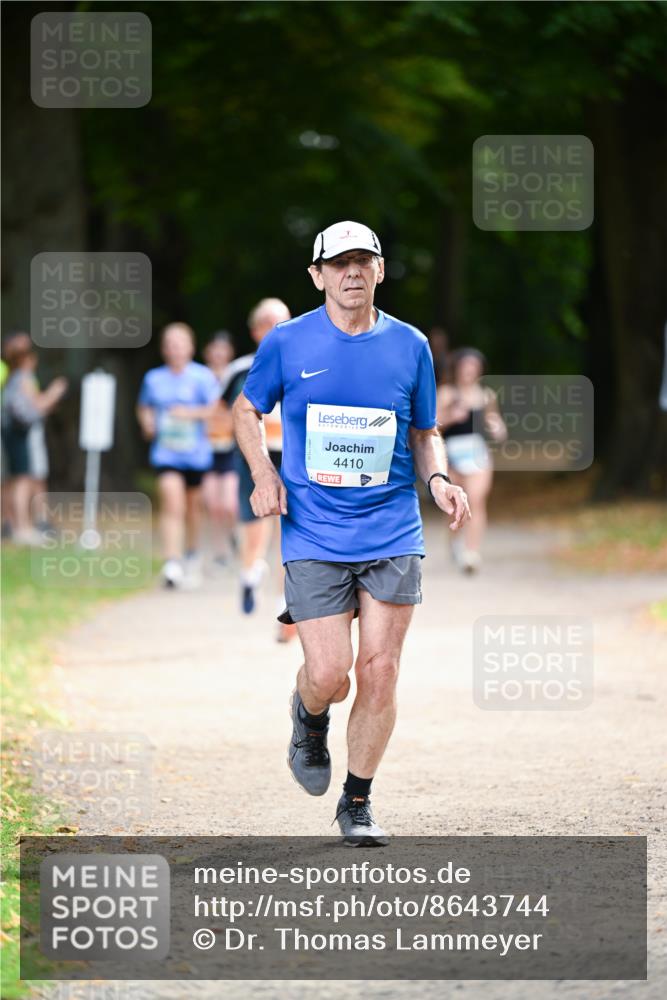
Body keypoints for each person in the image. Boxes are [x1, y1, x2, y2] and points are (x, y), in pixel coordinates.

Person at [233, 220, 470, 845]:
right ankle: (309, 717)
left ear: (380, 270)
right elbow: (246, 410)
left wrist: (440, 479)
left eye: (363, 260)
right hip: (313, 531)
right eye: (338, 263)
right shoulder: (287, 342)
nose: (352, 271)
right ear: (317, 276)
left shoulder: (410, 344)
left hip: (392, 526)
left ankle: (357, 801)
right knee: (331, 672)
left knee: (382, 670)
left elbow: (424, 430)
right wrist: (263, 472)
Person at [221, 298, 292, 623]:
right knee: (255, 530)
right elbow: (220, 414)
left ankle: (283, 600)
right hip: (252, 455)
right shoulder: (238, 369)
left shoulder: (302, 362)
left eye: (282, 321)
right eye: (268, 322)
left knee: (286, 525)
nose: (276, 328)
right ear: (255, 330)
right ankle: (250, 572)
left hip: (289, 453)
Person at [136, 322, 220, 588]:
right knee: (172, 504)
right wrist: (147, 422)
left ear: (190, 347)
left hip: (195, 454)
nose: (175, 349)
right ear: (164, 349)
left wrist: (189, 414)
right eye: (170, 344)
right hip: (166, 454)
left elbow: (215, 410)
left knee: (192, 510)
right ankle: (172, 562)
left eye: (180, 344)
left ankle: (192, 554)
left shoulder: (203, 377)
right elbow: (144, 406)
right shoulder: (153, 378)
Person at [437, 347, 506, 573]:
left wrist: (498, 429)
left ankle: (471, 552)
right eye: (465, 367)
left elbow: (494, 422)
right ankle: (454, 540)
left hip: (477, 453)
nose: (469, 371)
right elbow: (431, 427)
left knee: (476, 500)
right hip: (451, 454)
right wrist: (450, 417)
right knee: (457, 504)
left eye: (473, 367)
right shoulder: (446, 393)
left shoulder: (486, 395)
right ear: (457, 368)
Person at [0, 333, 67, 545]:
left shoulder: (10, 376)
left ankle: (18, 526)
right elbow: (37, 406)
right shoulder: (24, 378)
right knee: (22, 480)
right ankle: (23, 528)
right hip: (21, 435)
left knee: (14, 480)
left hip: (10, 433)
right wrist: (56, 392)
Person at [202, 331, 239, 565]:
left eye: (222, 349)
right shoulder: (199, 378)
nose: (218, 353)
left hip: (230, 448)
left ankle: (235, 536)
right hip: (205, 449)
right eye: (214, 348)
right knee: (213, 505)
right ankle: (220, 551)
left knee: (229, 505)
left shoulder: (236, 376)